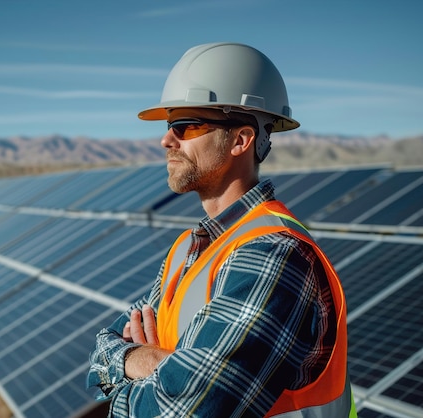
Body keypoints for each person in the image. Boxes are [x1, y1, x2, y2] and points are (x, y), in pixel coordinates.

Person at [87, 42, 357, 417]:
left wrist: (137, 367)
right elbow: (102, 351)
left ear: (241, 140)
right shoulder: (188, 248)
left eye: (187, 125)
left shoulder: (273, 255)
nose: (167, 139)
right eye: (169, 126)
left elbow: (186, 411)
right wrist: (151, 361)